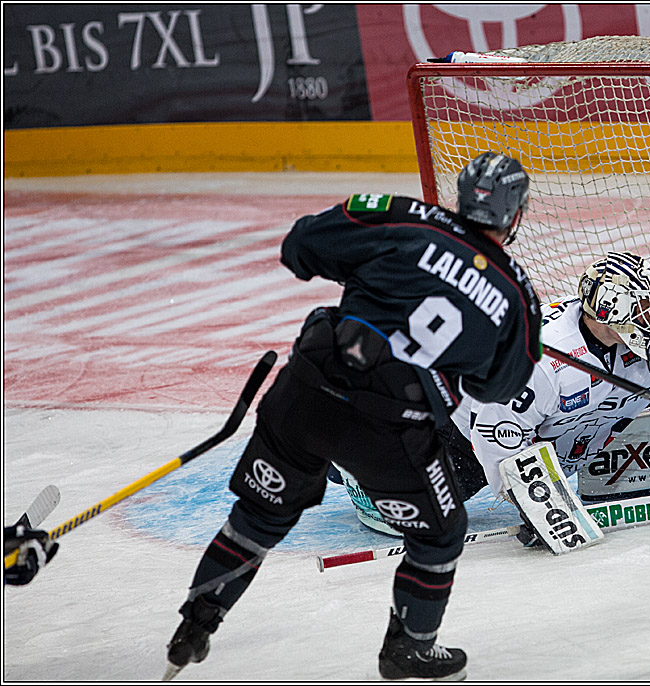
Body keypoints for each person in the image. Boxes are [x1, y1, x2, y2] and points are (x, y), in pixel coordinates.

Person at [164, 151, 540, 681]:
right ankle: (409, 649)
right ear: (515, 214)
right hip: (390, 427)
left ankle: (197, 623)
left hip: (308, 391)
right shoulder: (516, 293)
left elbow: (299, 249)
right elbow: (500, 386)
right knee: (439, 533)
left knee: (262, 514)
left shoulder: (400, 216)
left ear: (460, 195)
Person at [342, 251, 650, 547]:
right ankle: (352, 460)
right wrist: (529, 502)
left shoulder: (642, 338)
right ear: (607, 310)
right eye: (642, 308)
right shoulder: (542, 362)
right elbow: (496, 434)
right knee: (410, 516)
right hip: (457, 435)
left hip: (560, 440)